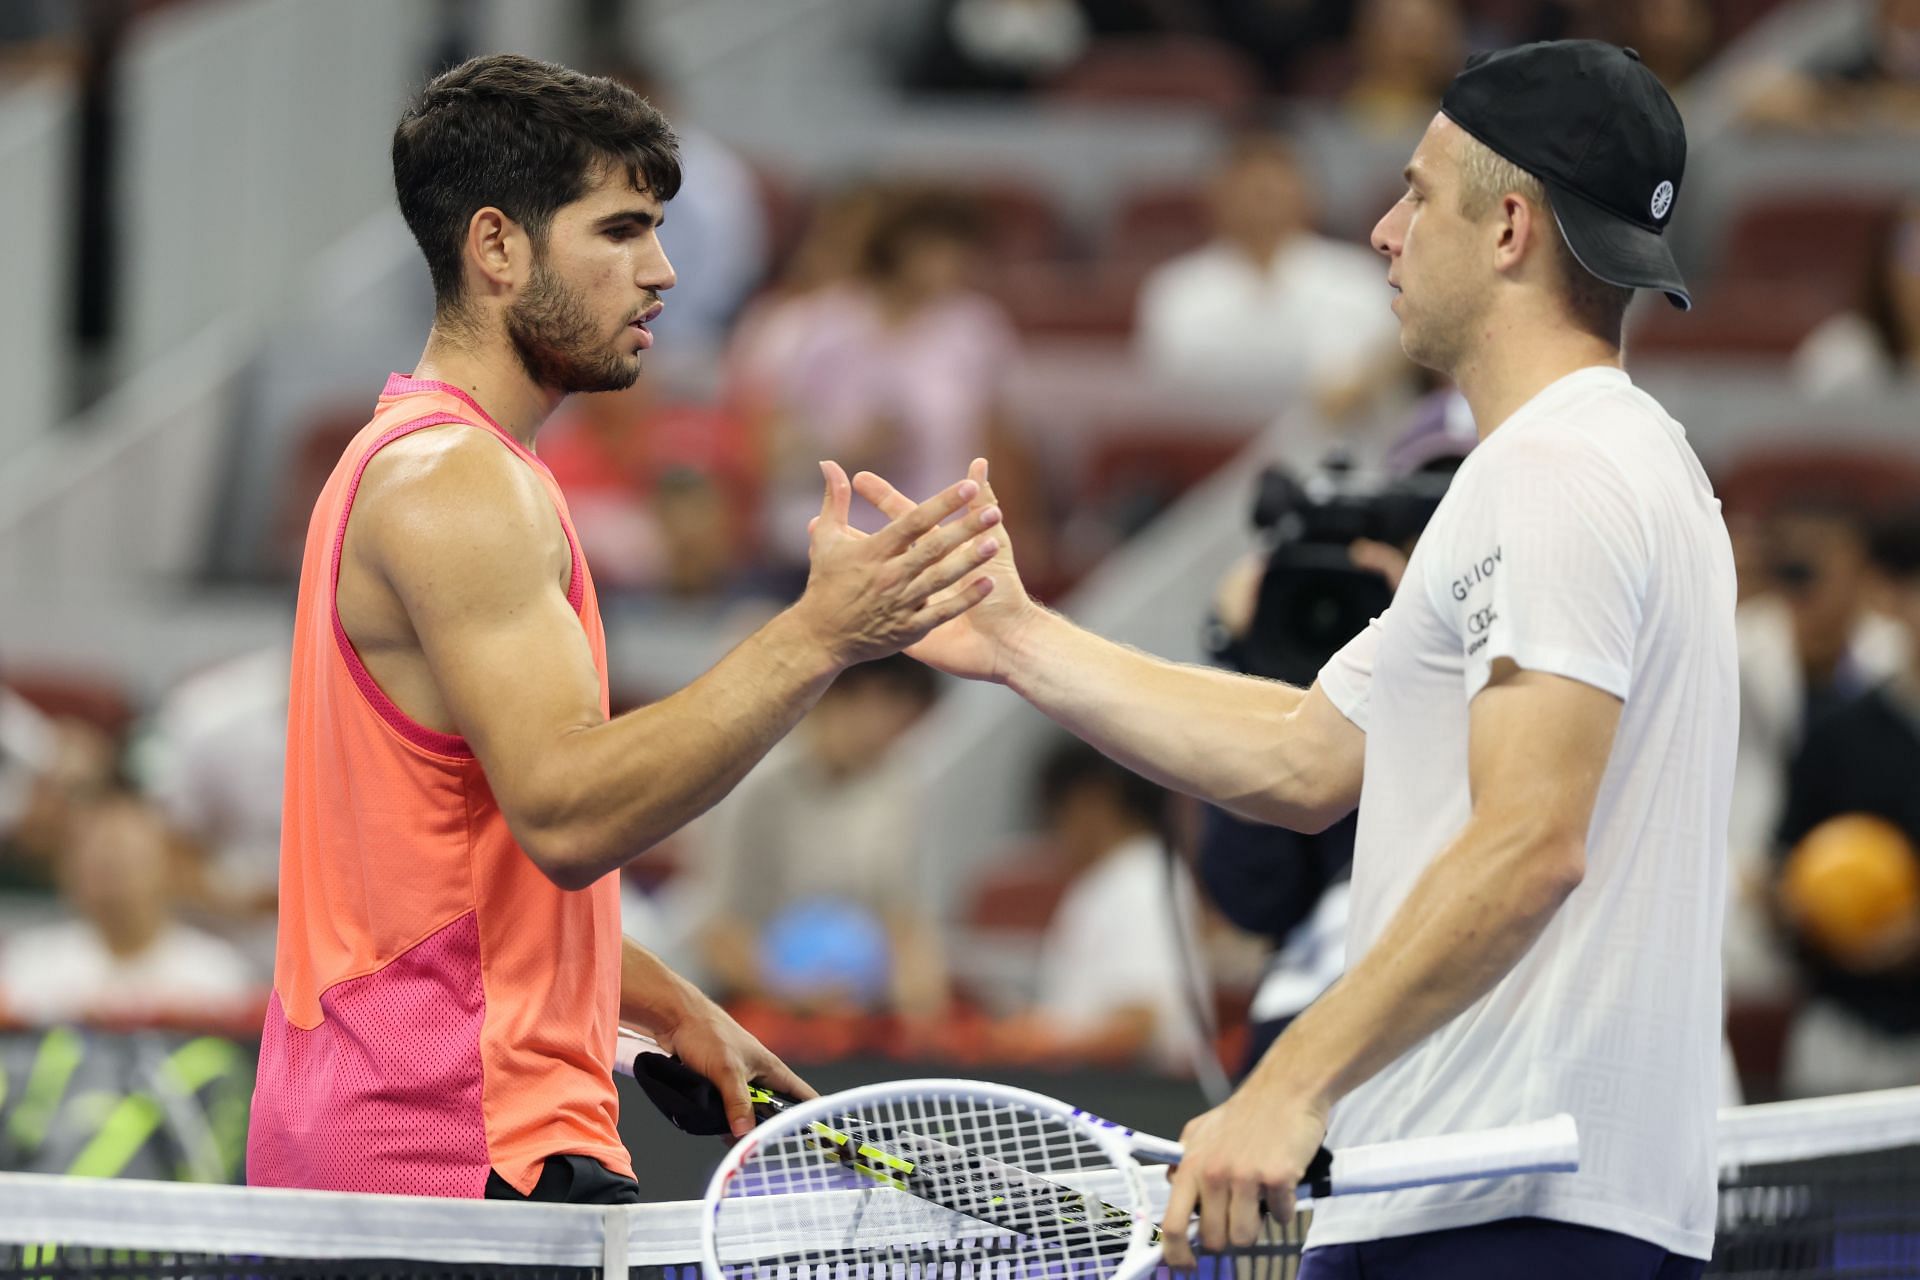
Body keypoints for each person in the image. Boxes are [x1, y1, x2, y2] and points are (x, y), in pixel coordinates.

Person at [859, 40, 1733, 1276]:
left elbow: (1531, 841)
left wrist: (1291, 1082)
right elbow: (1303, 754)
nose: (1382, 229)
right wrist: (1018, 638)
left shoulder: (1559, 473)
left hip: (1505, 1203)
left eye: (1419, 192)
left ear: (1510, 229)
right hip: (1501, 1195)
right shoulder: (1599, 464)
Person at [247, 54, 1003, 1205]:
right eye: (621, 232)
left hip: (402, 1129)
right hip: (457, 1144)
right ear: (497, 248)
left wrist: (656, 995)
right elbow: (568, 808)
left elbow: (460, 881)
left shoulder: (418, 463)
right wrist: (819, 635)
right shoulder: (459, 485)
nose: (662, 272)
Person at [690, 654, 948, 1016]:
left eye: (896, 708)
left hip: (864, 1017)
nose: (878, 724)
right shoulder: (756, 790)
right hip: (763, 1014)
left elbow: (909, 925)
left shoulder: (901, 791)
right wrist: (791, 995)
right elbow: (718, 933)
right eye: (859, 700)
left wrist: (919, 1017)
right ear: (827, 697)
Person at [1771, 504, 1920, 1096]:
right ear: (1897, 600)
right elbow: (1785, 863)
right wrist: (1801, 908)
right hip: (1844, 1029)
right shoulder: (1838, 733)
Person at [1133, 131, 1398, 406]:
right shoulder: (1174, 289)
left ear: (1311, 191)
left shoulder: (1358, 279)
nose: (1262, 190)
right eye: (1246, 177)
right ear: (1213, 192)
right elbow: (1172, 385)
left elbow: (1364, 378)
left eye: (1277, 177)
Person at [1020, 739, 1205, 1073]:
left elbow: (1137, 1024)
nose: (1054, 830)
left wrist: (1028, 1041)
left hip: (1126, 1098)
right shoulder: (1107, 879)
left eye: (1055, 811)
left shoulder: (1142, 880)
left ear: (1092, 799)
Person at [0, 793, 259, 1027]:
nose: (113, 877)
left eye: (128, 860)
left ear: (166, 868)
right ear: (70, 872)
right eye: (100, 863)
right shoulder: (30, 967)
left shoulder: (215, 975)